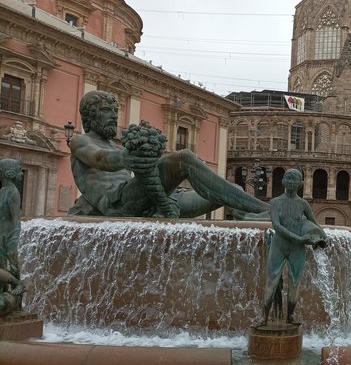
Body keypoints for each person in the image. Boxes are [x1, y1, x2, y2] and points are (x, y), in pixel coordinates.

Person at [68, 90, 271, 219]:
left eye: (115, 110)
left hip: (152, 203)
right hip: (118, 204)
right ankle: (265, 209)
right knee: (182, 158)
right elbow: (99, 158)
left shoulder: (116, 145)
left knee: (231, 190)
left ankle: (257, 217)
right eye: (106, 110)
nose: (113, 115)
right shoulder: (81, 141)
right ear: (89, 115)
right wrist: (126, 159)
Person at [258, 168, 327, 326]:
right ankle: (264, 317)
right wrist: (299, 239)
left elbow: (315, 223)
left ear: (301, 184)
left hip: (297, 248)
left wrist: (323, 236)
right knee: (272, 281)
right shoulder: (275, 202)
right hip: (279, 245)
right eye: (288, 178)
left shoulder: (303, 204)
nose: (290, 181)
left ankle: (290, 316)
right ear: (282, 181)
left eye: (295, 179)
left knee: (295, 282)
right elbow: (276, 225)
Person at [0, 158, 22, 282]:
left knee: (13, 267)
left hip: (8, 237)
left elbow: (16, 220)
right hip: (1, 236)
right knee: (1, 267)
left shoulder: (13, 193)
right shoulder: (2, 191)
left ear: (8, 173)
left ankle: (18, 290)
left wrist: (13, 242)